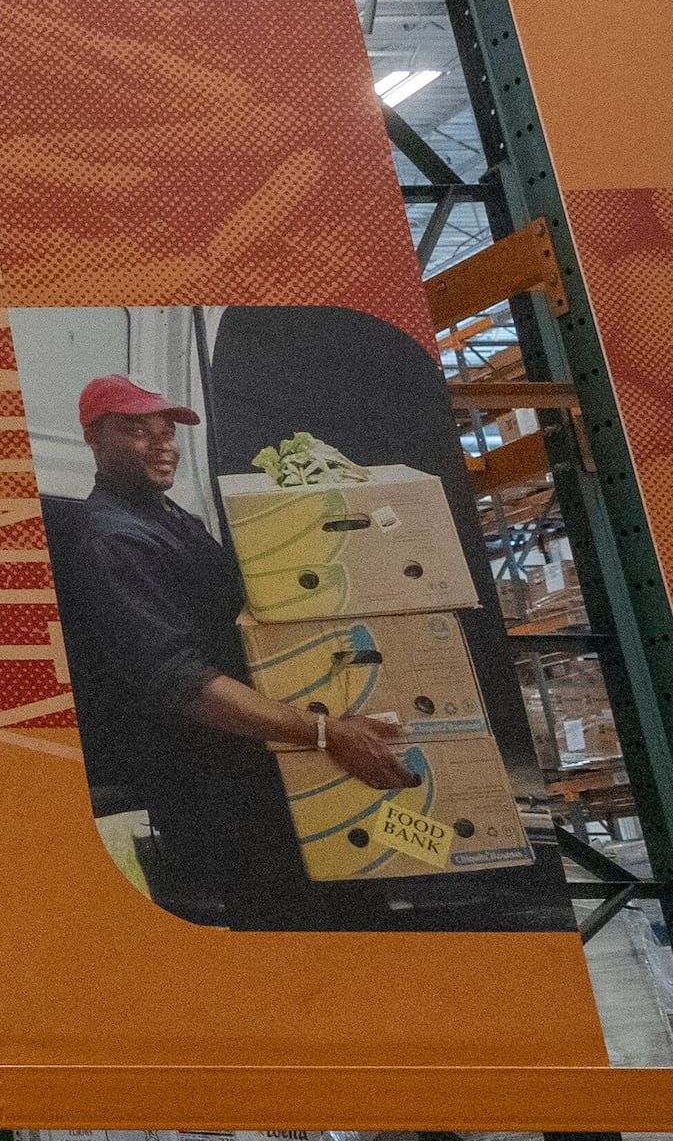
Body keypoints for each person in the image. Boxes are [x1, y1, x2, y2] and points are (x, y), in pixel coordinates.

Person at [46, 374, 416, 928]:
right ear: (94, 439)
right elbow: (185, 684)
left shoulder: (172, 518)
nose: (162, 446)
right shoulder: (113, 539)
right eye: (139, 431)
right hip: (215, 783)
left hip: (260, 761)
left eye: (167, 432)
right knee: (292, 928)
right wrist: (327, 732)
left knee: (348, 914)